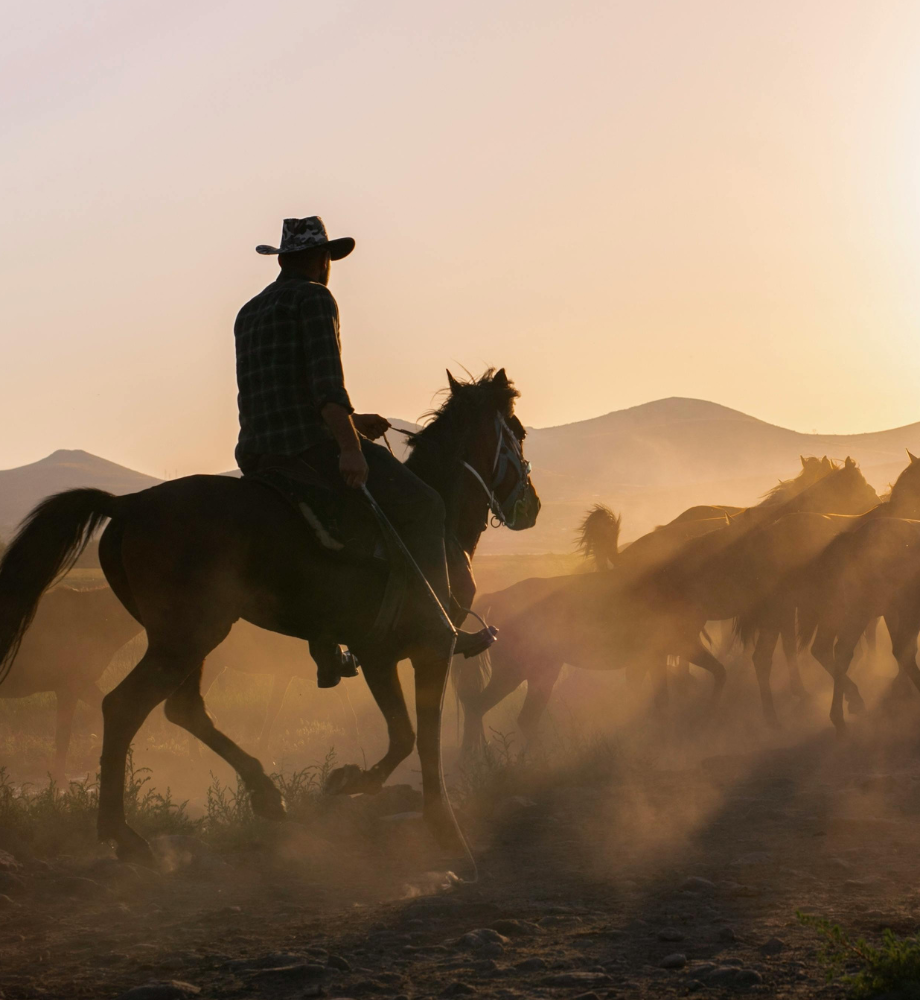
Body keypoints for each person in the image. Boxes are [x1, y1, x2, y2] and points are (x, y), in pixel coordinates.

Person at [234, 216, 496, 687]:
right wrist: (349, 446)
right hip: (309, 449)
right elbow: (326, 388)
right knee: (424, 506)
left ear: (283, 259)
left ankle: (327, 647)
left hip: (258, 456)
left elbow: (281, 394)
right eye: (329, 259)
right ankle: (439, 625)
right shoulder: (316, 298)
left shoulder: (248, 312)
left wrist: (354, 422)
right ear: (320, 259)